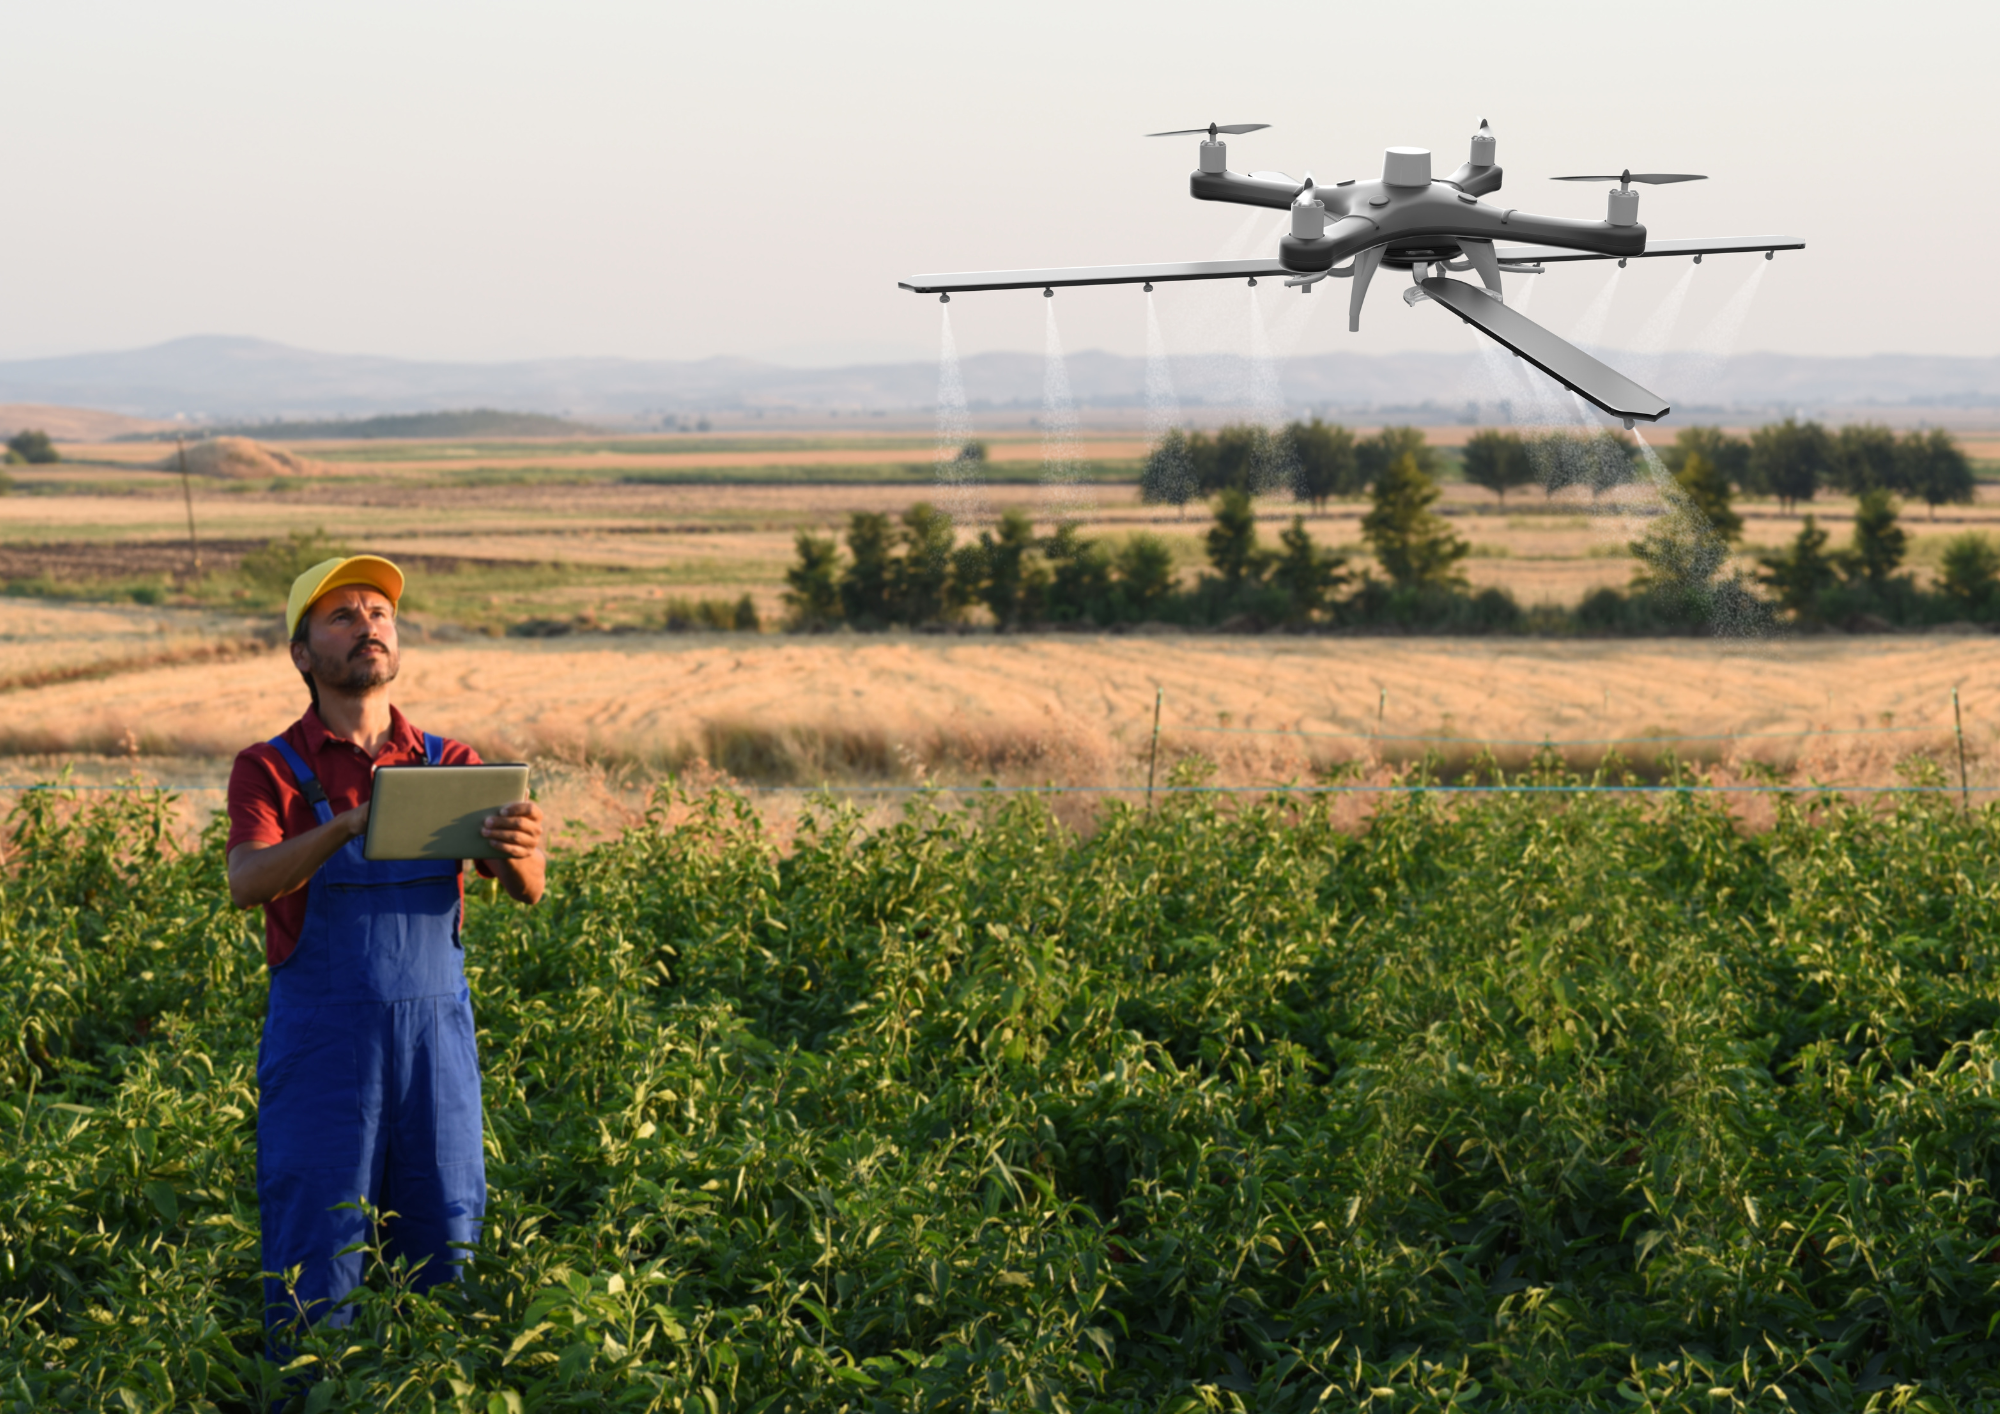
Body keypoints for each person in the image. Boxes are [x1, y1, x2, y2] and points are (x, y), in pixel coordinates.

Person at [225, 555, 545, 1336]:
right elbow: (246, 881)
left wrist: (520, 841)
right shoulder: (269, 768)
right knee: (316, 1261)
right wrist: (339, 827)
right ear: (303, 655)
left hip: (436, 1052)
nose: (369, 625)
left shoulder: (452, 765)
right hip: (323, 1053)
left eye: (379, 613)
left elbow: (528, 887)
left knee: (447, 1248)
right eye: (343, 616)